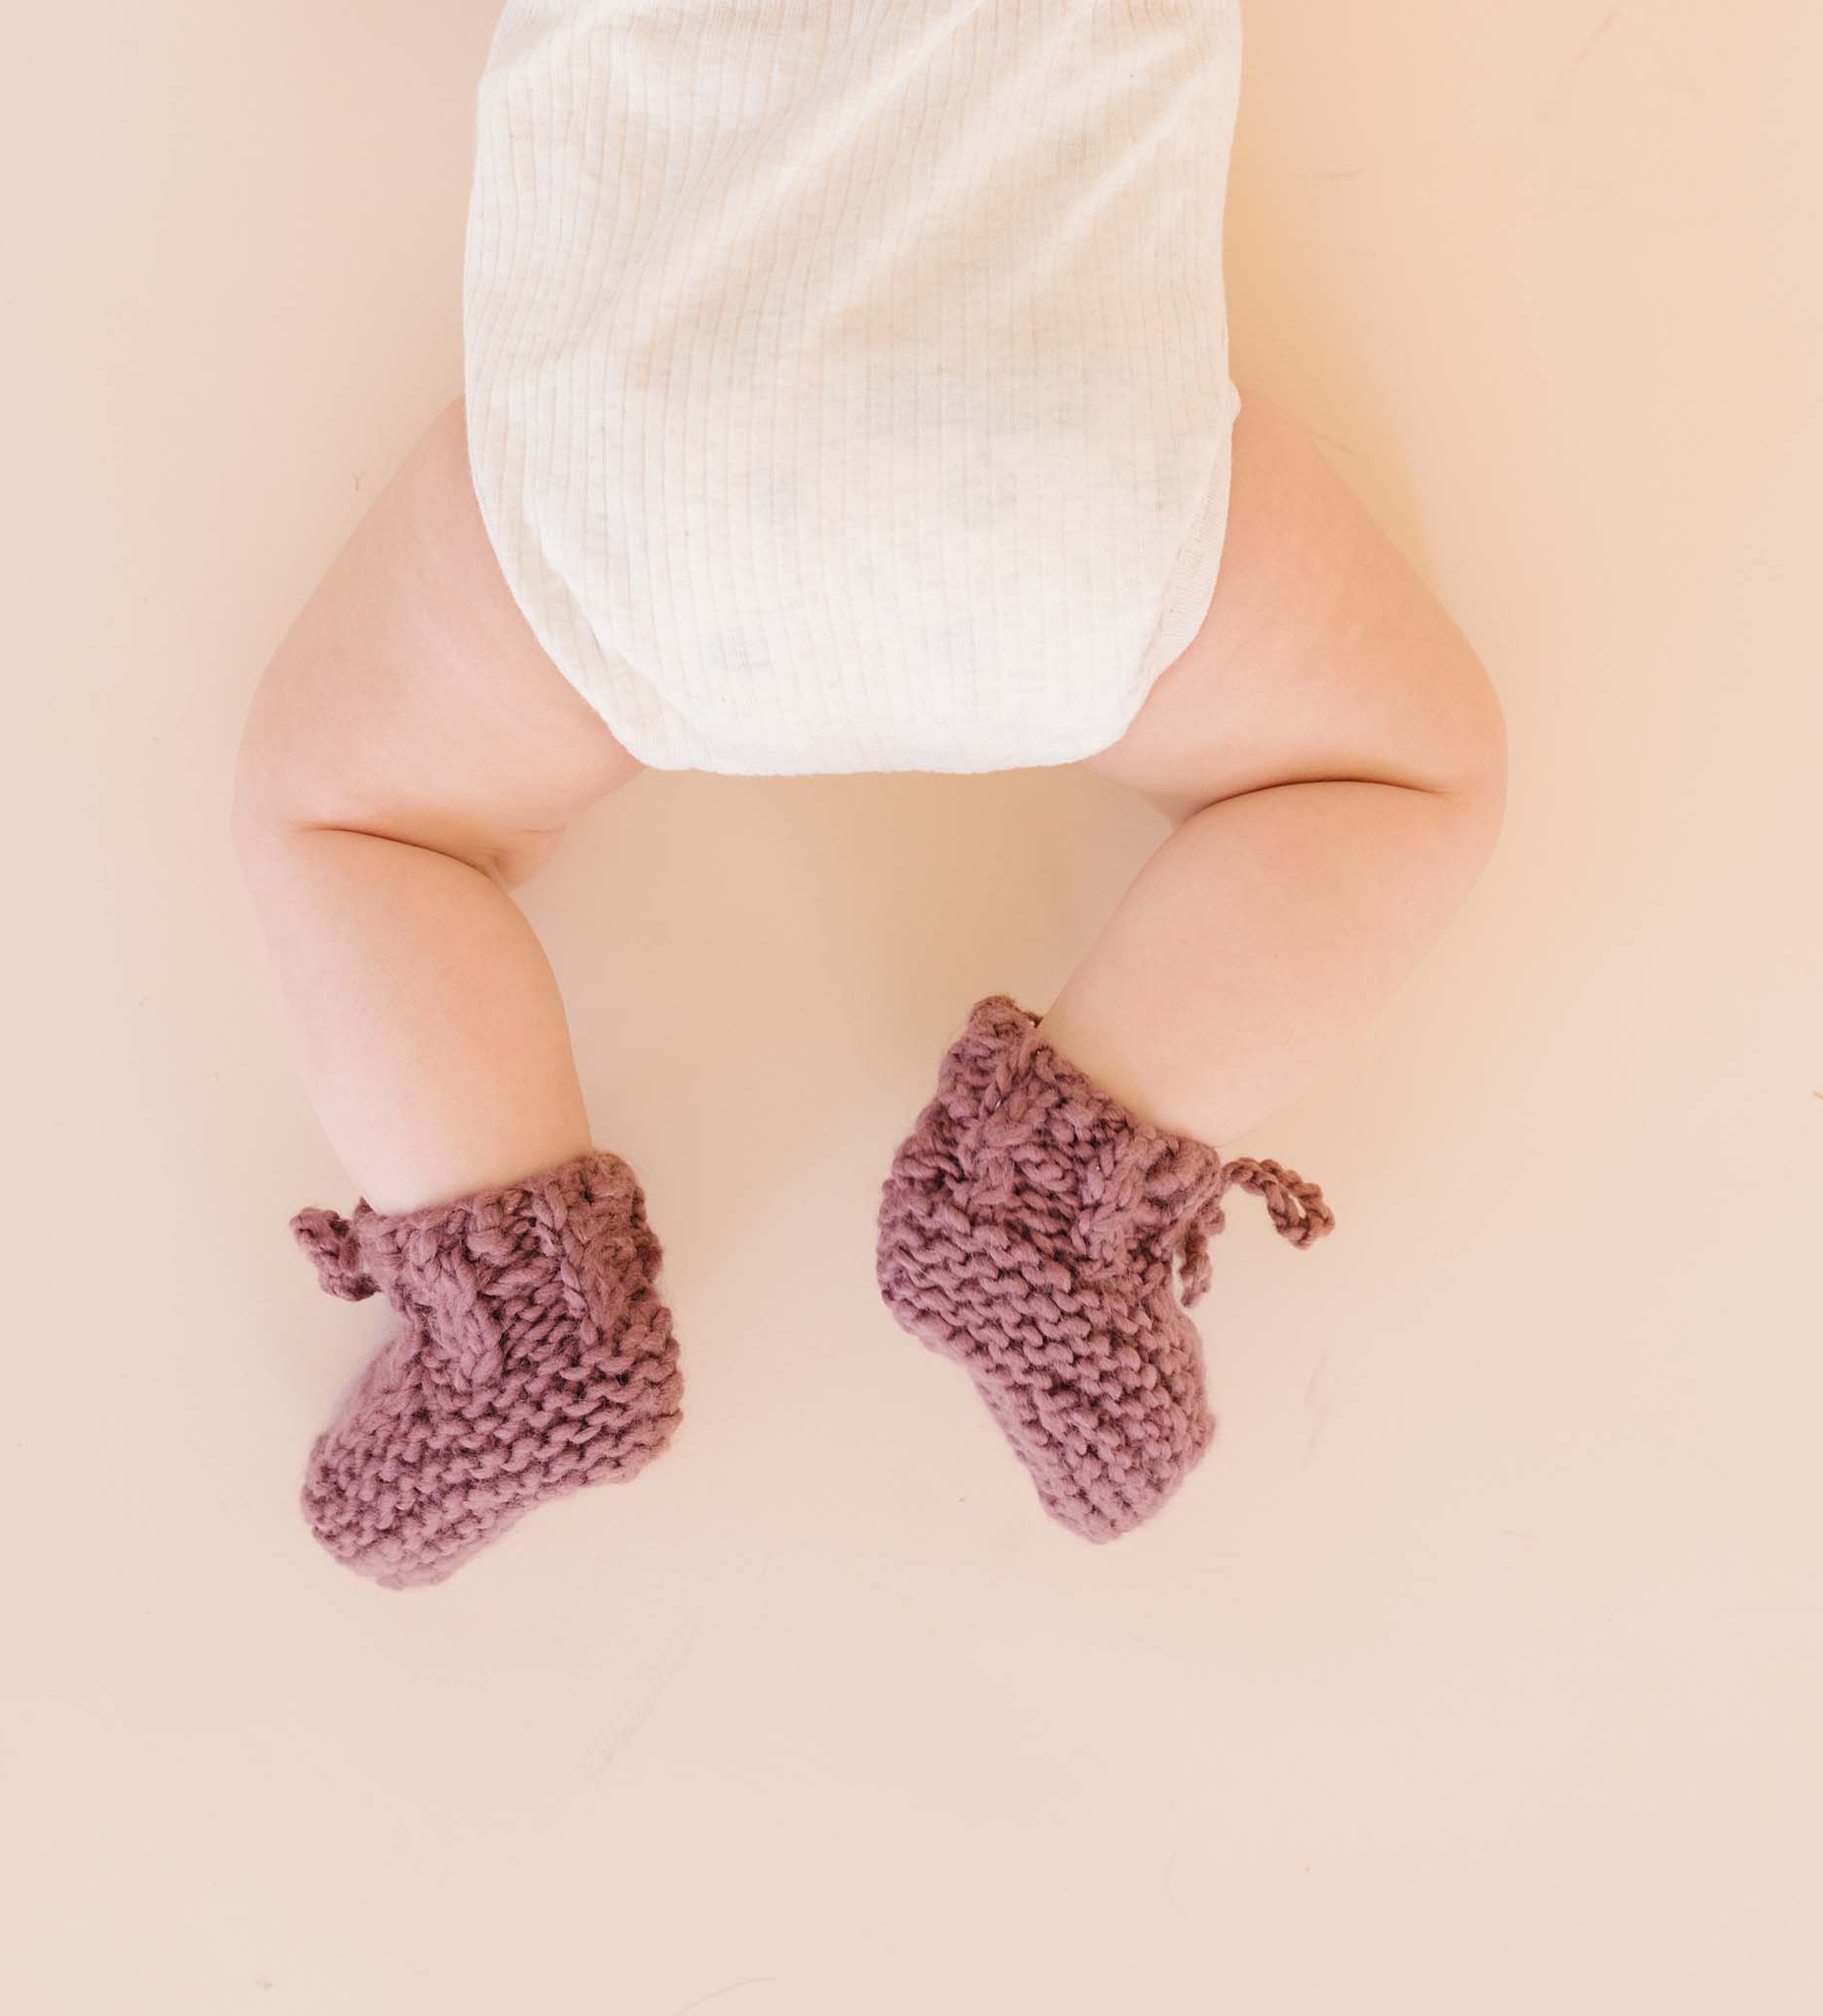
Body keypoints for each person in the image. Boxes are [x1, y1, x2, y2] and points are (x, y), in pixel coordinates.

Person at [233, 1, 1506, 1588]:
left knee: (351, 814)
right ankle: (1043, 1208)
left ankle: (516, 1325)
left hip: (637, 476)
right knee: (1406, 771)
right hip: (1053, 472)